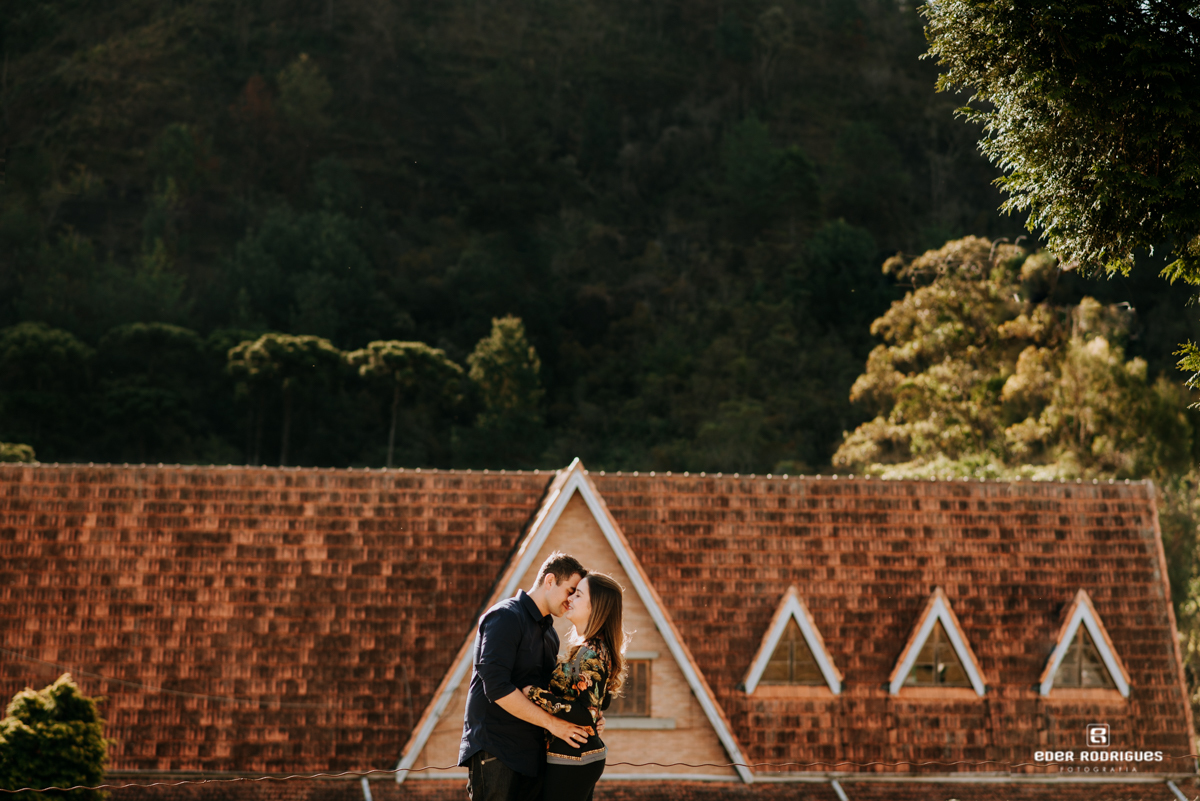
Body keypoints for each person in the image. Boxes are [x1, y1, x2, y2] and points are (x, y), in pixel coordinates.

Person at [459, 552, 596, 801]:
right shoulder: (505, 616)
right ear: (550, 580)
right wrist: (554, 725)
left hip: (533, 757)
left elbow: (549, 695)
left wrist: (589, 715)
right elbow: (497, 687)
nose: (571, 600)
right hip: (496, 752)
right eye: (570, 590)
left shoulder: (550, 635)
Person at [524, 573, 627, 801]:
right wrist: (595, 715)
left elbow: (584, 712)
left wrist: (533, 693)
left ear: (595, 607)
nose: (570, 599)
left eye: (578, 595)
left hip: (573, 758)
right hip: (577, 756)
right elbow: (600, 701)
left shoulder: (590, 652)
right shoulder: (593, 648)